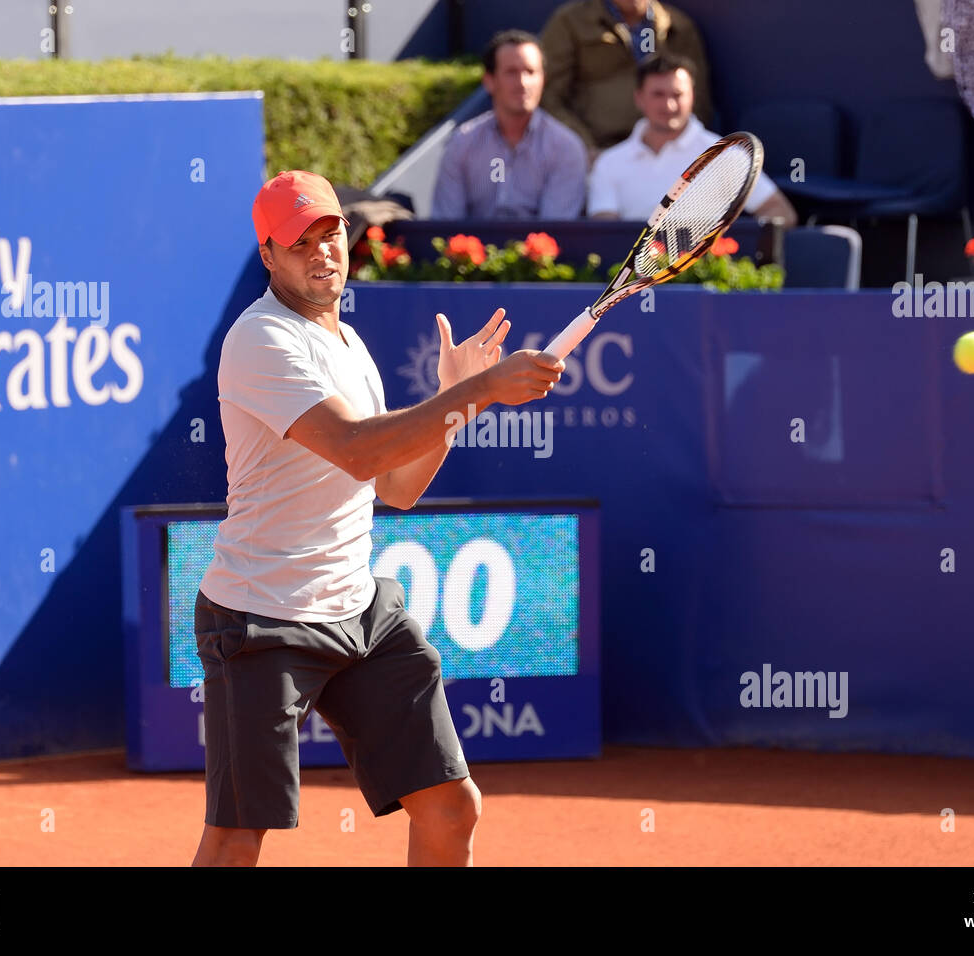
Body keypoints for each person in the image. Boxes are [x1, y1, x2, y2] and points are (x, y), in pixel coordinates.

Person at [191, 170, 563, 866]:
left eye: (331, 234)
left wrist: (456, 401)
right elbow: (360, 452)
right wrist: (482, 388)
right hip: (261, 620)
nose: (322, 252)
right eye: (299, 242)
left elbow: (397, 487)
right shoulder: (260, 340)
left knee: (451, 806)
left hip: (359, 613)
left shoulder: (351, 347)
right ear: (268, 256)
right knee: (239, 835)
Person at [587, 53, 798, 226]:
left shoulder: (725, 155)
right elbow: (605, 231)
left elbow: (780, 211)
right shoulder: (609, 163)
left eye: (677, 95)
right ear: (639, 98)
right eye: (658, 94)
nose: (669, 106)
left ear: (692, 97)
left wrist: (733, 246)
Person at [431, 30, 587, 219]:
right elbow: (447, 225)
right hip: (473, 247)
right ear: (489, 81)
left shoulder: (566, 148)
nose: (523, 83)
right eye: (511, 72)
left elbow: (556, 232)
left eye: (530, 72)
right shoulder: (461, 143)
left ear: (543, 79)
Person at [540, 0, 714, 155]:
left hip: (670, 151)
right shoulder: (571, 22)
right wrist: (584, 147)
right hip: (599, 149)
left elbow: (697, 97)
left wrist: (679, 147)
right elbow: (548, 96)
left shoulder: (677, 27)